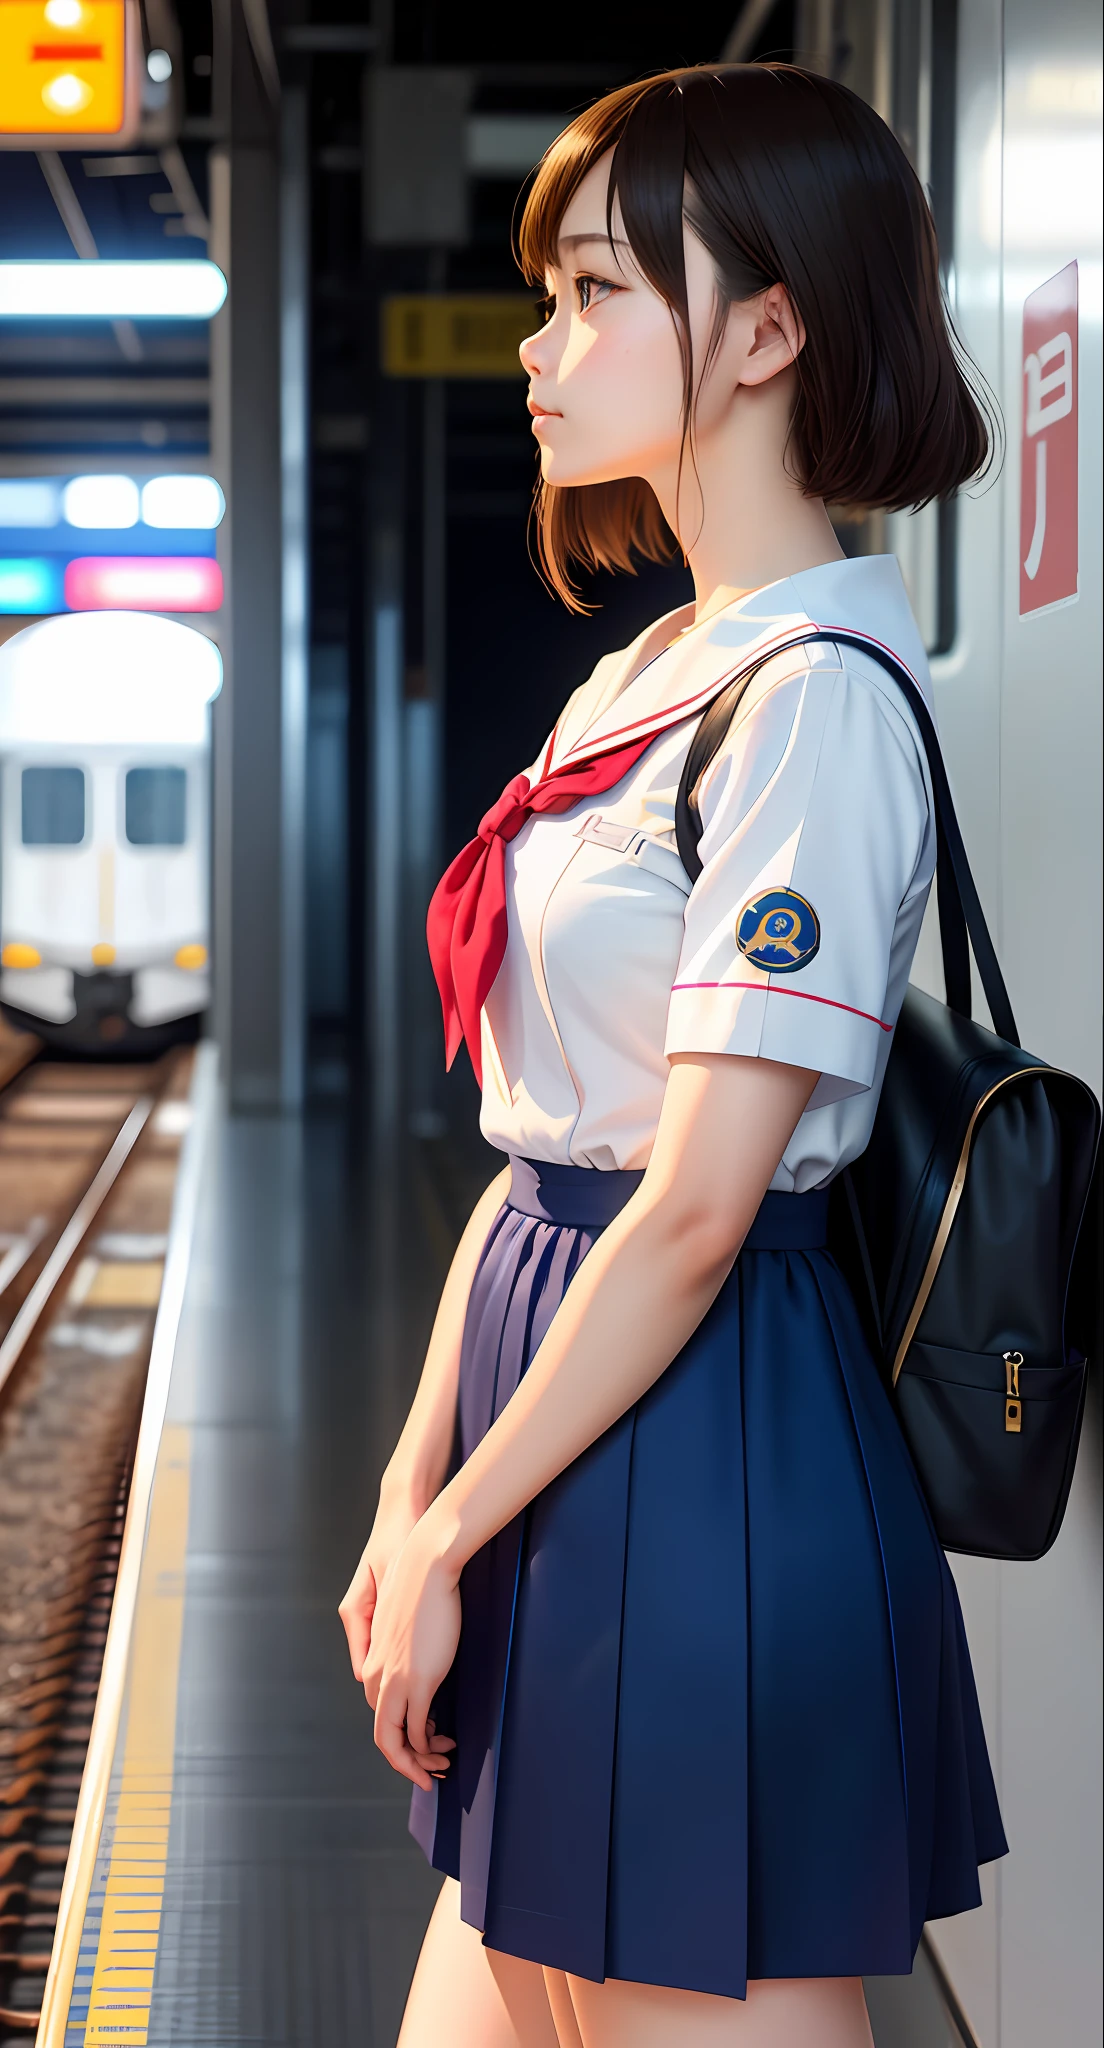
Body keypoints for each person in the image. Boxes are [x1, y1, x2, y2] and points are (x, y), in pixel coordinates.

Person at [340, 64, 1006, 2048]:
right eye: (550, 295)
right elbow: (546, 1154)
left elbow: (701, 1208)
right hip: (564, 1392)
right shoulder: (644, 676)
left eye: (597, 292)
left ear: (772, 328)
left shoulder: (811, 702)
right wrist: (411, 1487)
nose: (544, 347)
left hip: (711, 1442)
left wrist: (457, 1519)